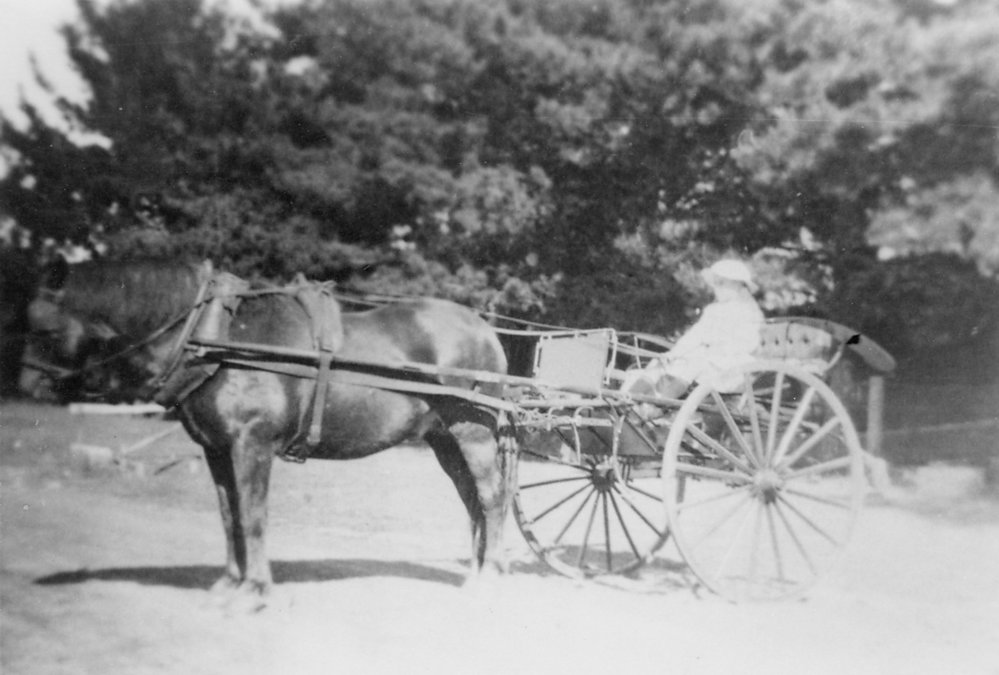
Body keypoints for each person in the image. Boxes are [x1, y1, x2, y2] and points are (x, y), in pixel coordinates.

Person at [625, 258, 764, 400]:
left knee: (693, 364)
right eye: (716, 283)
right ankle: (627, 401)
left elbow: (748, 344)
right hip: (708, 362)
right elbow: (694, 337)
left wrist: (715, 350)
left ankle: (658, 404)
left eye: (721, 283)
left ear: (737, 285)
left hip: (733, 368)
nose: (716, 288)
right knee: (660, 363)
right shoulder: (713, 310)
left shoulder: (748, 311)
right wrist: (673, 354)